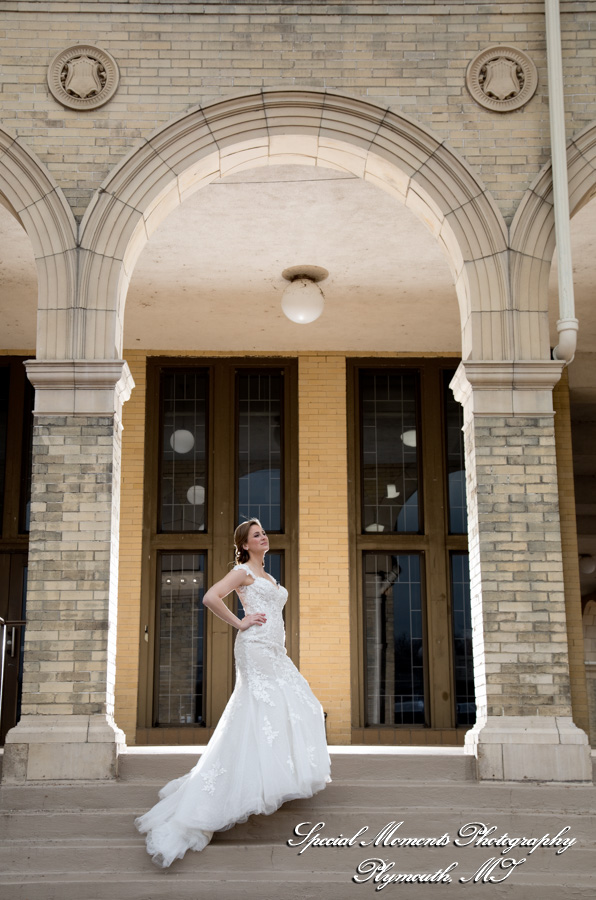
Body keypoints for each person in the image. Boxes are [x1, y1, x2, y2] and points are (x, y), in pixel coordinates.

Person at [134, 518, 332, 867]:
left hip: (275, 651)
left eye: (264, 533)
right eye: (257, 535)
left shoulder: (269, 576)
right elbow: (210, 596)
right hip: (254, 649)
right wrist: (240, 622)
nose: (264, 537)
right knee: (263, 710)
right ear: (245, 544)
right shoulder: (242, 572)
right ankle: (243, 786)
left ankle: (278, 774)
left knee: (305, 705)